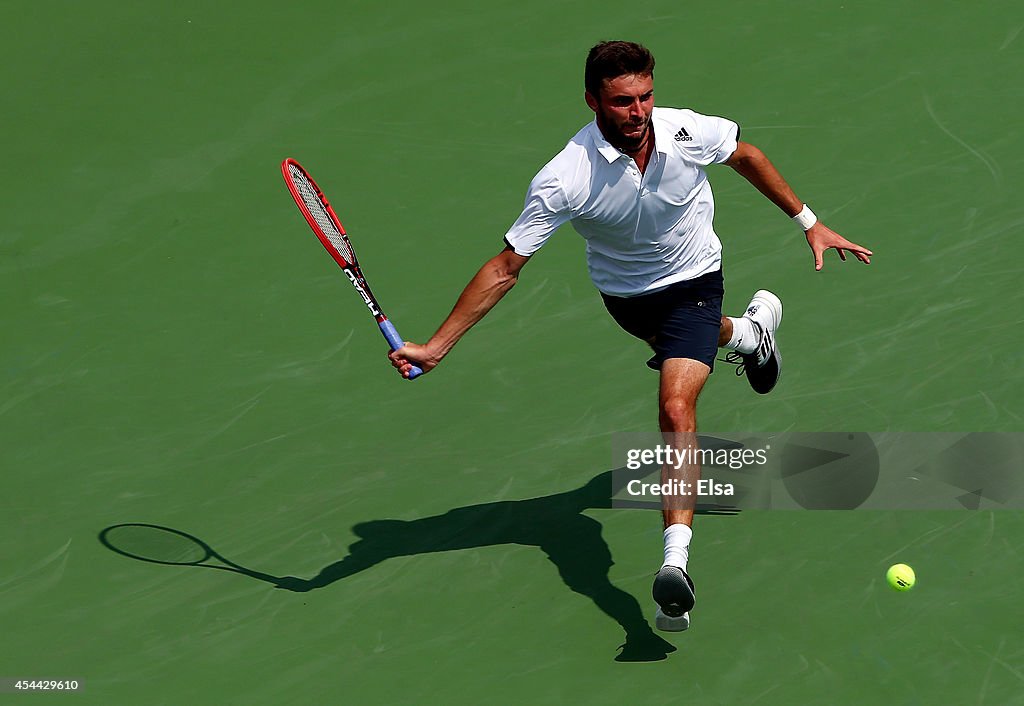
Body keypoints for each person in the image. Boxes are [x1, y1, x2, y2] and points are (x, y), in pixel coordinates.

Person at [388, 41, 872, 635]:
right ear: (593, 101)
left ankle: (676, 564)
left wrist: (809, 222)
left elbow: (745, 155)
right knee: (689, 349)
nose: (638, 112)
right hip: (626, 299)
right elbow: (505, 268)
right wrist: (437, 346)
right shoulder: (565, 177)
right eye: (622, 102)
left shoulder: (683, 131)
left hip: (695, 277)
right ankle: (748, 336)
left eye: (645, 97)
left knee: (676, 405)